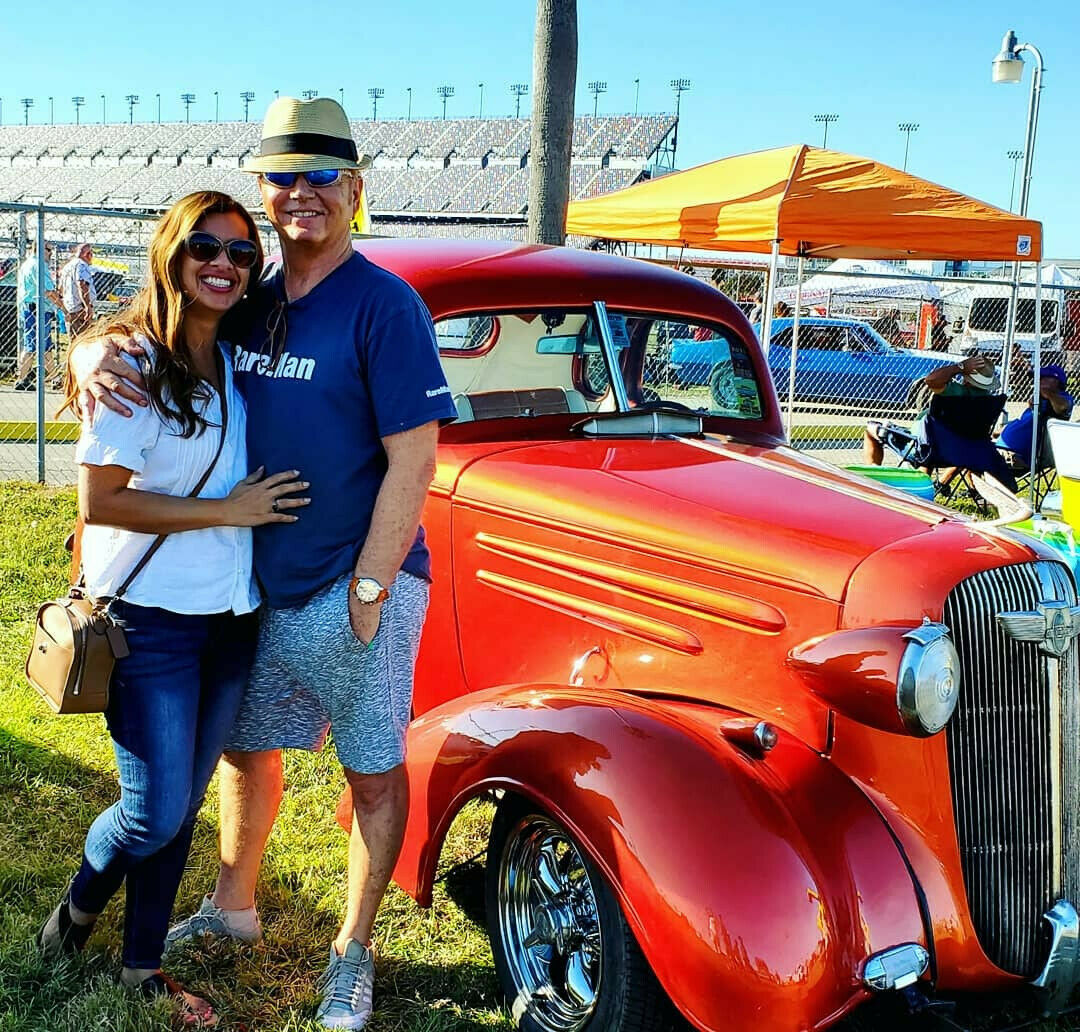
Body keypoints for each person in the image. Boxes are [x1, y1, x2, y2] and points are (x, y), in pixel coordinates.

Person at [72, 97, 458, 1030]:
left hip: (355, 587)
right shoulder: (247, 295)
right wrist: (89, 351)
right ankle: (233, 905)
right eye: (284, 177)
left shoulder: (384, 303)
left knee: (370, 773)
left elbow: (416, 455)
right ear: (263, 191)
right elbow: (157, 330)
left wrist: (370, 586)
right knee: (247, 752)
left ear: (355, 191)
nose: (302, 195)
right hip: (248, 590)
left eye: (323, 177)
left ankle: (350, 954)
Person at [41, 191, 309, 1025]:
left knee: (180, 803)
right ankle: (80, 904)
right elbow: (103, 500)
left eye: (239, 252)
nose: (223, 265)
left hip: (231, 619)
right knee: (154, 808)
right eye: (205, 248)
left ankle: (139, 969)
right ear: (172, 257)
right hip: (149, 622)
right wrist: (229, 509)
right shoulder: (132, 360)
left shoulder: (239, 351)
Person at [863, 354, 998, 466]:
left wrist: (959, 367)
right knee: (933, 435)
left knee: (871, 429)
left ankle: (870, 482)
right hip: (964, 453)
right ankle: (925, 482)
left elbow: (931, 380)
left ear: (968, 377)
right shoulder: (989, 402)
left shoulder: (955, 393)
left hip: (924, 450)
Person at [998, 363, 1074, 467]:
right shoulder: (1038, 400)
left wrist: (1049, 394)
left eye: (1043, 378)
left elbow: (1063, 407)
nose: (1038, 381)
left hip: (1018, 456)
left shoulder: (1061, 399)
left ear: (1056, 381)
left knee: (974, 459)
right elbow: (1023, 422)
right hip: (1004, 448)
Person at [14, 239, 62, 390]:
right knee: (32, 345)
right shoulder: (38, 265)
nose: (51, 253)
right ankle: (21, 378)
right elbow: (48, 291)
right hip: (36, 309)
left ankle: (55, 378)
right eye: (48, 250)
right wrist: (63, 308)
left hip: (32, 308)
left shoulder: (28, 264)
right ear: (40, 249)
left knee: (45, 346)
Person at [60, 242, 98, 338]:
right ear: (87, 254)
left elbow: (60, 288)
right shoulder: (81, 265)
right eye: (91, 254)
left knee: (73, 340)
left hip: (70, 308)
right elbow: (82, 284)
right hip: (80, 309)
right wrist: (87, 306)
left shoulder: (67, 266)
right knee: (84, 341)